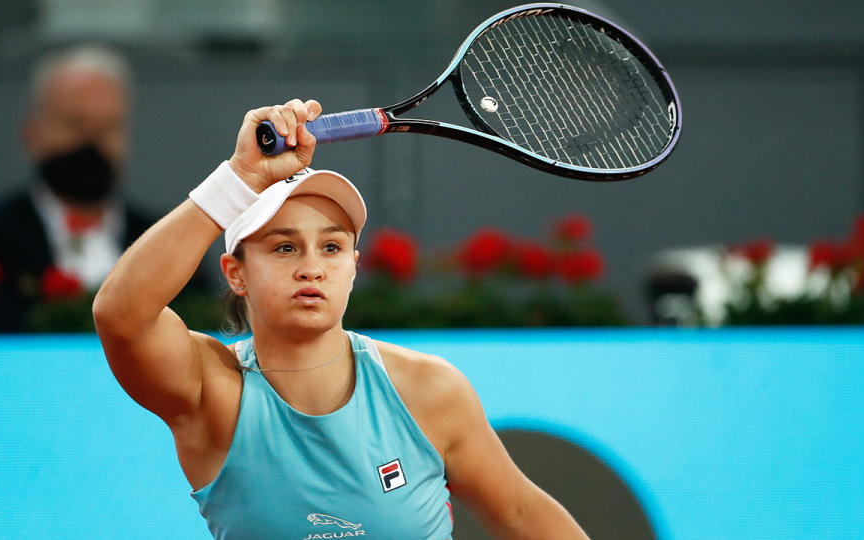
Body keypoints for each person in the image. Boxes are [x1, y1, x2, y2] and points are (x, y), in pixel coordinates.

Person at [93, 99, 590, 539]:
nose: (311, 266)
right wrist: (240, 179)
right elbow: (121, 316)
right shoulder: (207, 391)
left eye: (332, 247)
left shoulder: (431, 390)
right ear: (235, 274)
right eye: (284, 246)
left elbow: (522, 514)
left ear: (353, 266)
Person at [0, 45, 157, 331]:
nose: (92, 142)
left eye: (108, 127)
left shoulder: (159, 238)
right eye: (75, 124)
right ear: (31, 133)